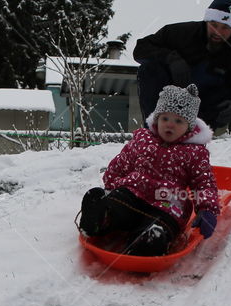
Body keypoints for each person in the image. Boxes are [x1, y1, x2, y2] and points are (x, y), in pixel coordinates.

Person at [78, 84, 220, 256]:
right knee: (119, 202)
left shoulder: (195, 152)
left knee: (161, 224)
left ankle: (149, 239)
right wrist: (111, 186)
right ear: (157, 119)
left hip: (167, 204)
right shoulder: (143, 139)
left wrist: (207, 209)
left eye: (178, 121)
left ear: (189, 127)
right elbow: (122, 163)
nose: (170, 125)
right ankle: (103, 216)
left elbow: (204, 183)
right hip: (133, 194)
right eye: (165, 118)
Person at [133, 0, 231, 130]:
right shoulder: (179, 33)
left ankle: (197, 132)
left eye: (225, 28)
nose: (218, 32)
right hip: (167, 98)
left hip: (204, 107)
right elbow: (141, 49)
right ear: (207, 21)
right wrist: (171, 59)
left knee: (230, 92)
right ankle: (153, 129)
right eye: (214, 25)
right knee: (150, 68)